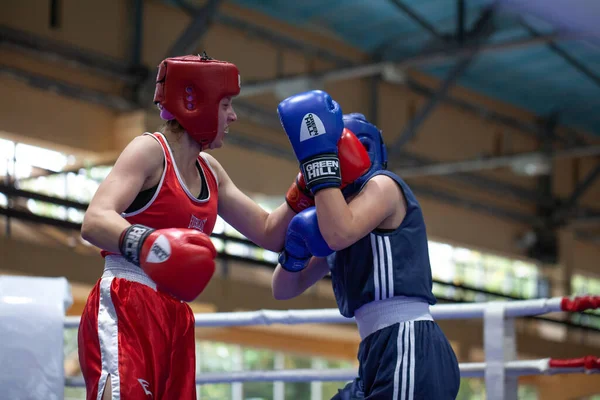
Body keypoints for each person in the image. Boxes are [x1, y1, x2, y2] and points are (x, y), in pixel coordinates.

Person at [77, 54, 371, 400]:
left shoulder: (211, 171)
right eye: (226, 104)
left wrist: (310, 180)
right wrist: (153, 245)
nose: (233, 115)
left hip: (176, 315)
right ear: (195, 102)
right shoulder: (150, 150)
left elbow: (267, 231)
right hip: (128, 299)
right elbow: (95, 219)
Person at [272, 91, 461, 399]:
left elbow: (339, 233)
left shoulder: (384, 186)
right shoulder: (336, 221)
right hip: (377, 350)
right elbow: (282, 289)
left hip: (407, 342)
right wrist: (295, 249)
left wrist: (319, 162)